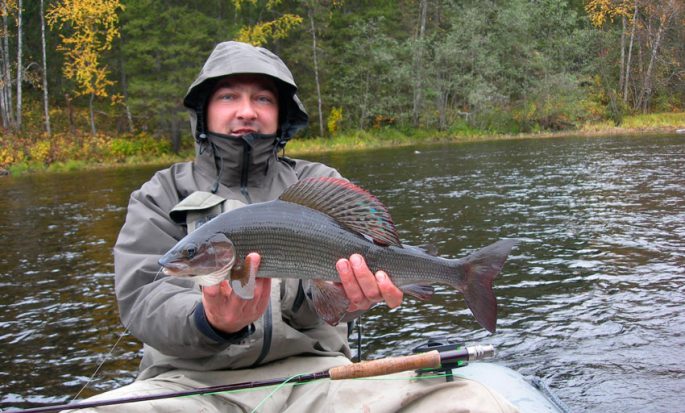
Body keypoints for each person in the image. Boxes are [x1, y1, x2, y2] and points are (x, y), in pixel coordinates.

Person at [77, 41, 518, 412]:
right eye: (229, 96)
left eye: (263, 98)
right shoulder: (159, 194)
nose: (246, 111)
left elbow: (333, 292)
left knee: (474, 400)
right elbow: (142, 299)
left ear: (281, 112)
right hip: (188, 385)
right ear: (204, 111)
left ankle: (464, 275)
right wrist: (209, 321)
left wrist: (344, 296)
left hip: (317, 378)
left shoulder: (318, 182)